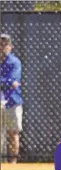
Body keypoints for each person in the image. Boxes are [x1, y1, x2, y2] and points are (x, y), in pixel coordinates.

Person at [0, 34, 23, 163]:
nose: (2, 47)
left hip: (12, 102)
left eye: (5, 44)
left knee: (13, 133)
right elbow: (9, 82)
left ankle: (13, 164)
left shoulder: (14, 62)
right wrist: (7, 82)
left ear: (10, 47)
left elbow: (14, 81)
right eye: (0, 44)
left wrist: (8, 82)